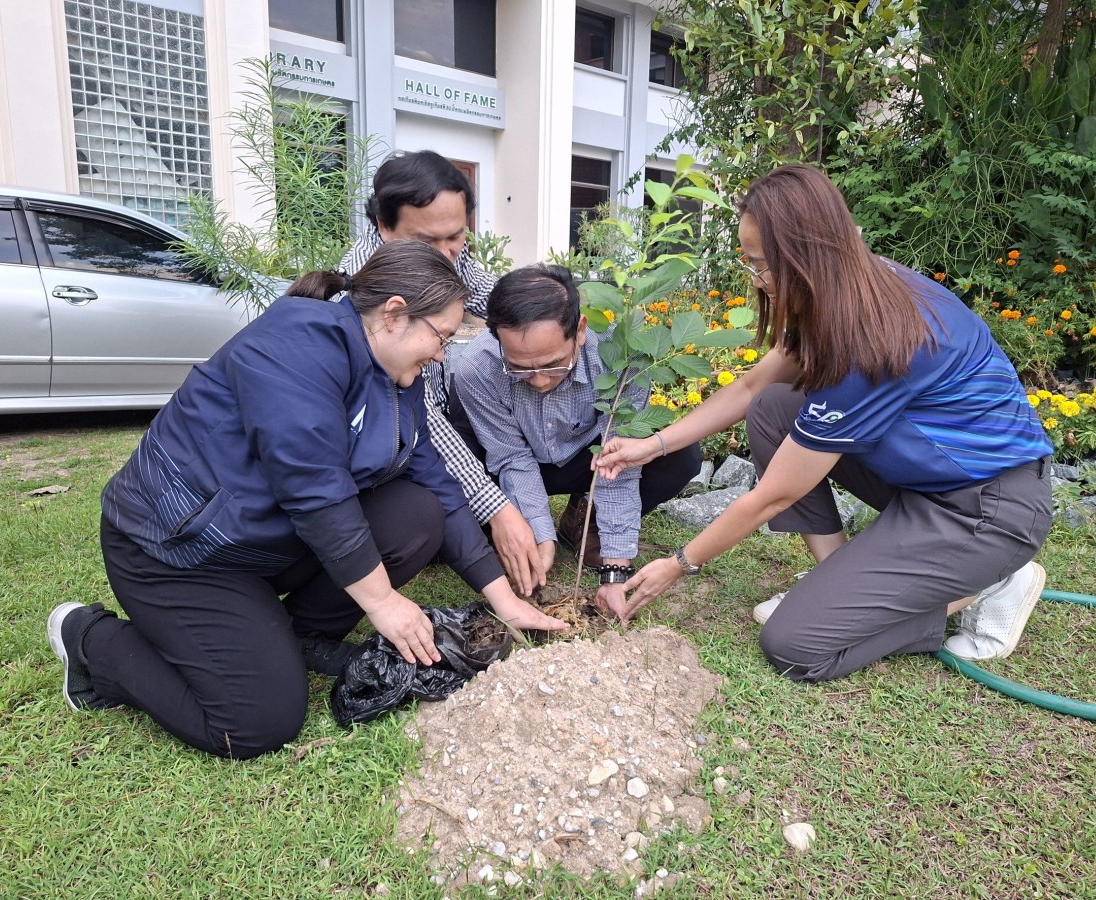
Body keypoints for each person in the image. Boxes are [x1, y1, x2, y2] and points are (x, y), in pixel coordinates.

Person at [46, 241, 567, 759]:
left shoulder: (397, 375)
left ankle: (299, 637)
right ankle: (91, 640)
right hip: (178, 552)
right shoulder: (296, 347)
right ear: (393, 315)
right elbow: (315, 490)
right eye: (441, 337)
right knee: (257, 723)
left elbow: (436, 480)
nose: (441, 354)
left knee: (416, 514)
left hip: (265, 543)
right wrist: (382, 603)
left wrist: (503, 600)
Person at [596, 164, 1054, 680]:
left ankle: (987, 586)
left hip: (987, 510)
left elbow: (774, 494)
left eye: (762, 266)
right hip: (934, 484)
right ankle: (836, 580)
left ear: (805, 257)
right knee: (774, 407)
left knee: (795, 643)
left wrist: (679, 563)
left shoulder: (869, 342)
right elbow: (752, 388)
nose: (759, 281)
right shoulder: (844, 288)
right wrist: (651, 445)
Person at [341, 150, 541, 595]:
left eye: (456, 236)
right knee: (422, 515)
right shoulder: (361, 296)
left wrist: (553, 311)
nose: (447, 254)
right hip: (382, 449)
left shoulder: (451, 257)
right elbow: (419, 418)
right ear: (383, 227)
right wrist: (498, 510)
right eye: (428, 242)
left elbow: (499, 299)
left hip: (425, 425)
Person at [448, 264, 701, 616]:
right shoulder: (477, 366)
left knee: (680, 456)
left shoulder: (623, 359)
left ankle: (585, 522)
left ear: (579, 330)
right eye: (520, 368)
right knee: (456, 496)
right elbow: (511, 459)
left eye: (553, 365)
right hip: (512, 462)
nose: (537, 380)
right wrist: (539, 533)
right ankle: (510, 534)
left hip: (588, 458)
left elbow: (619, 462)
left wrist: (615, 571)